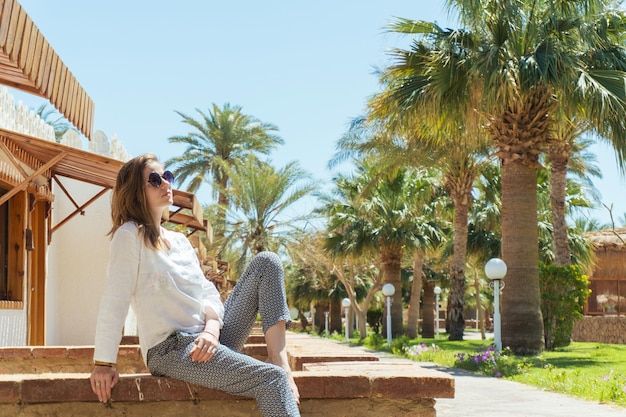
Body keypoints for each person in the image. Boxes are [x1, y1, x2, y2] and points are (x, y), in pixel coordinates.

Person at [90, 153, 300, 417]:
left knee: (266, 263)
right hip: (172, 350)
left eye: (167, 177)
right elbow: (114, 300)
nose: (166, 184)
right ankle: (277, 372)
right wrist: (104, 362)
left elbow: (208, 292)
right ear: (134, 192)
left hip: (210, 338)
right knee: (272, 380)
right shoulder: (129, 235)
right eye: (155, 180)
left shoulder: (180, 242)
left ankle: (279, 359)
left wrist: (211, 330)